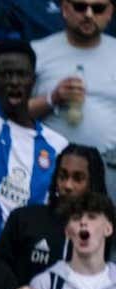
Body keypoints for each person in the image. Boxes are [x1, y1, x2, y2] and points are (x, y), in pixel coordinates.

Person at [0, 34, 69, 251]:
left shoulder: (57, 146)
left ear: (33, 81)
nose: (14, 82)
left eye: (21, 75)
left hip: (28, 265)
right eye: (6, 74)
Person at [28, 0, 116, 194]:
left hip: (109, 169)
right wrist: (52, 98)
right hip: (51, 167)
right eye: (80, 6)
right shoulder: (37, 52)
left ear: (110, 12)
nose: (89, 14)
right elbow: (15, 114)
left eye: (98, 8)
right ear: (65, 8)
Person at [0, 144, 108, 286]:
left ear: (93, 184)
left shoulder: (103, 234)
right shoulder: (23, 219)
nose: (67, 185)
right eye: (63, 176)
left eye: (78, 179)